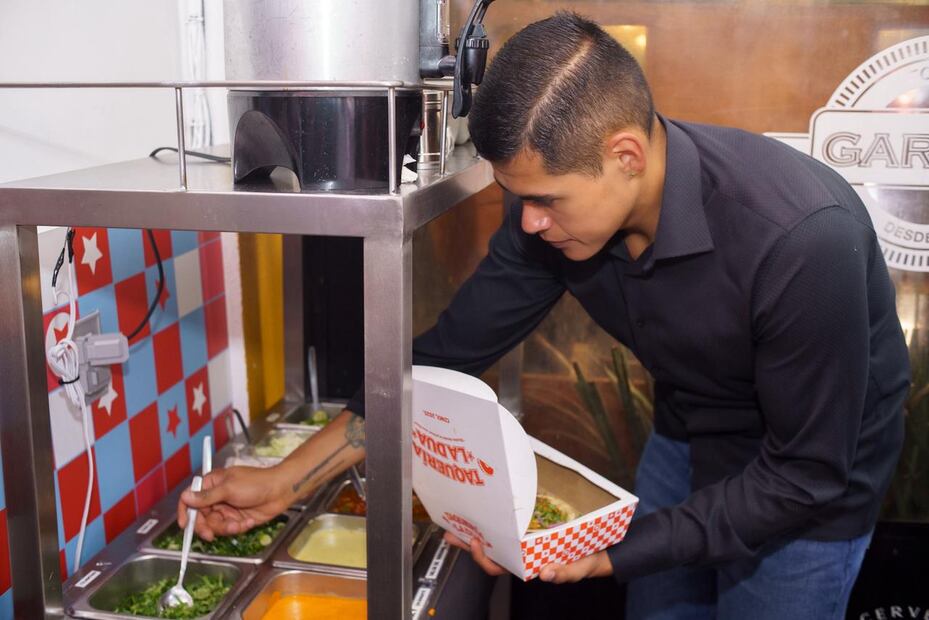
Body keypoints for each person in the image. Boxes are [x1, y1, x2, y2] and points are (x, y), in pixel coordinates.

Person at [179, 12, 910, 619]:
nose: (527, 225)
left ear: (625, 154)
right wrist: (286, 478)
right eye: (515, 198)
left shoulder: (797, 239)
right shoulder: (549, 221)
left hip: (806, 486)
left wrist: (614, 554)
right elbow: (441, 358)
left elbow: (805, 474)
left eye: (546, 200)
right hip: (687, 436)